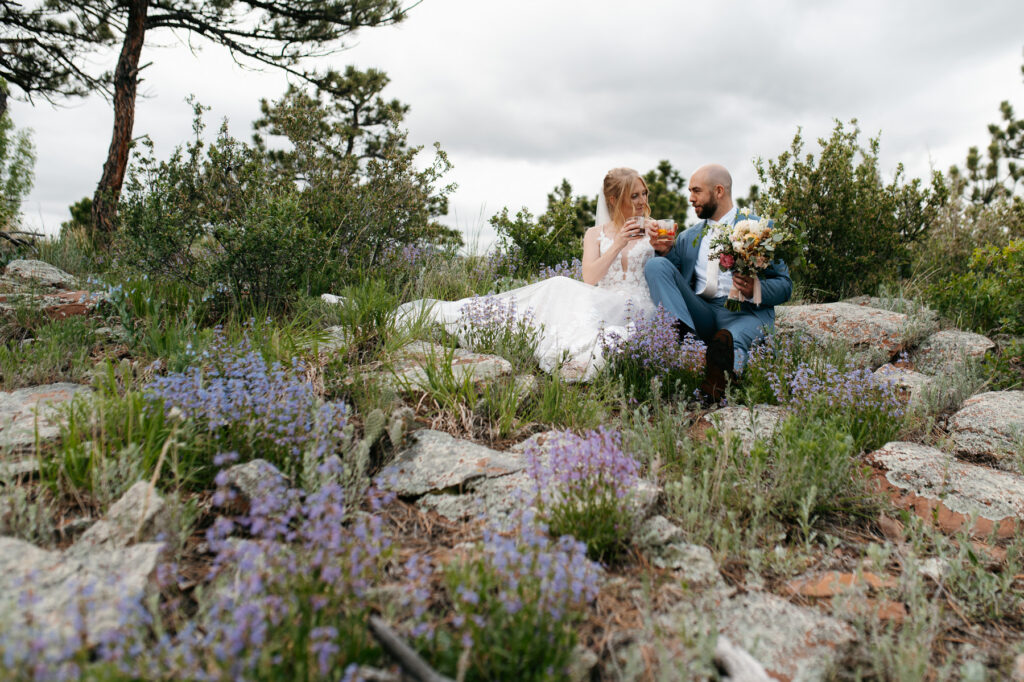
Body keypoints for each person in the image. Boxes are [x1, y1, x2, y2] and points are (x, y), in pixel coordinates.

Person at [395, 167, 658, 381]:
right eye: (634, 195)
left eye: (644, 194)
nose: (642, 201)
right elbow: (589, 279)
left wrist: (665, 245)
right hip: (603, 300)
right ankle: (476, 319)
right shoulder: (594, 234)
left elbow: (667, 267)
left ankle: (576, 355)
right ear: (613, 200)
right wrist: (618, 244)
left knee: (568, 299)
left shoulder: (656, 229)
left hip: (638, 306)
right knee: (557, 285)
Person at [643, 164, 792, 402]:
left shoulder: (762, 229)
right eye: (690, 191)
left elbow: (785, 285)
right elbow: (676, 280)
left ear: (719, 191)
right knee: (655, 265)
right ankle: (682, 333)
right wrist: (664, 252)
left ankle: (718, 383)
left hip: (745, 313)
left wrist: (756, 287)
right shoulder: (687, 237)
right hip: (702, 312)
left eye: (696, 191)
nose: (690, 198)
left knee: (730, 341)